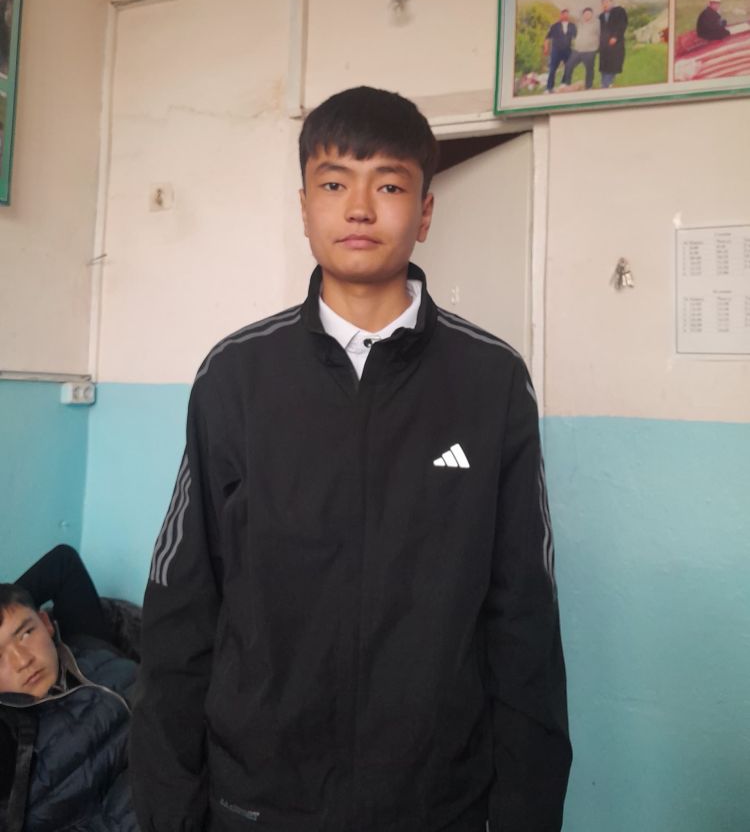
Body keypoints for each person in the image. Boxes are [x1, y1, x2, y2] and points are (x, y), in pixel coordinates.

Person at [131, 86, 572, 832]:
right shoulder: (237, 375)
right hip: (259, 797)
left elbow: (524, 613)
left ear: (425, 212)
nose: (360, 209)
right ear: (304, 206)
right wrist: (171, 810)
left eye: (389, 186)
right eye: (335, 184)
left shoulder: (491, 380)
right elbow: (183, 607)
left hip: (435, 802)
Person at [0, 545, 139, 832]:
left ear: (45, 623)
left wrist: (10, 605)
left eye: (25, 633)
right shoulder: (8, 736)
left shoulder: (87, 643)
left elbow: (62, 562)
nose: (23, 661)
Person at [562, 7, 601, 90]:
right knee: (568, 66)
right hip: (577, 50)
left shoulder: (597, 23)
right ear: (583, 15)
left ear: (592, 15)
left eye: (589, 14)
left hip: (590, 51)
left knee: (589, 69)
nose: (587, 15)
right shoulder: (579, 24)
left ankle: (589, 86)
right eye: (585, 14)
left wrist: (598, 47)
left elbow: (601, 34)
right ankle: (567, 84)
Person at [544, 8, 577, 92]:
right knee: (552, 69)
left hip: (567, 50)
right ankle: (549, 87)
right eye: (564, 14)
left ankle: (564, 83)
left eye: (567, 14)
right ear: (561, 15)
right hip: (556, 50)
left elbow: (576, 37)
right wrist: (546, 48)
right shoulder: (554, 26)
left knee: (569, 67)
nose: (565, 16)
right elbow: (547, 38)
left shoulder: (572, 26)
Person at [599, 0, 628, 88]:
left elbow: (622, 24)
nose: (605, 4)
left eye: (607, 2)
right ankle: (604, 83)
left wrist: (615, 36)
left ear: (612, 2)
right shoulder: (601, 16)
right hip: (604, 45)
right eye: (603, 3)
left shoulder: (619, 11)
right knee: (604, 66)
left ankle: (607, 84)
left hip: (616, 43)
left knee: (614, 63)